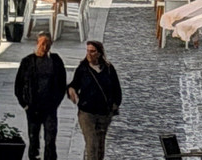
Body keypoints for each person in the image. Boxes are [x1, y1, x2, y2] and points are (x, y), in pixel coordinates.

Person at [14, 31, 66, 160]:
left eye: (47, 44)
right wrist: (24, 104)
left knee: (50, 138)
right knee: (33, 137)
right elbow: (18, 85)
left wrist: (56, 102)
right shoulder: (27, 61)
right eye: (42, 44)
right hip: (33, 107)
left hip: (49, 106)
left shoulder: (56, 61)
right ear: (37, 44)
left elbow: (62, 84)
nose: (44, 47)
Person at [67, 41, 122, 160]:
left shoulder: (108, 69)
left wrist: (115, 104)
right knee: (91, 144)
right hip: (87, 112)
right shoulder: (83, 69)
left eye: (92, 51)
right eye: (87, 51)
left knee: (100, 145)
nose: (89, 54)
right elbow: (74, 84)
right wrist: (71, 90)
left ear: (99, 53)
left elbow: (116, 89)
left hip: (104, 113)